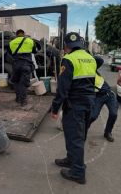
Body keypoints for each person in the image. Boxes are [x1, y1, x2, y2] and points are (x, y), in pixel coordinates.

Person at [50, 32, 96, 184]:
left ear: (66, 46)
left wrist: (55, 108)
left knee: (74, 138)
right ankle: (71, 160)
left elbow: (63, 89)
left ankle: (78, 172)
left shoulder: (68, 60)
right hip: (89, 103)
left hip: (74, 106)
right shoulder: (90, 58)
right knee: (78, 136)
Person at [86, 56, 118, 142]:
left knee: (113, 114)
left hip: (109, 94)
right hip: (98, 96)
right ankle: (83, 129)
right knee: (93, 116)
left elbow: (100, 60)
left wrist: (88, 57)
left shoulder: (92, 68)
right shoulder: (81, 76)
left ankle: (107, 132)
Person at [9, 29, 37, 106]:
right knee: (24, 83)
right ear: (24, 34)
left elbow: (10, 53)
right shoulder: (30, 41)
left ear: (16, 35)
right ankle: (23, 101)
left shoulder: (11, 42)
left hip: (16, 65)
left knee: (16, 81)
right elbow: (34, 51)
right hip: (26, 65)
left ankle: (18, 98)